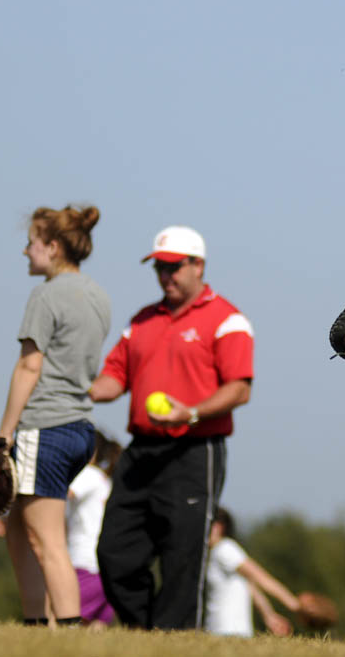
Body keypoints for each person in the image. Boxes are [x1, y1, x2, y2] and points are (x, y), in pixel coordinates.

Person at [89, 225, 254, 630]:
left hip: (195, 451)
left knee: (182, 558)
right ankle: (147, 635)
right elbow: (113, 379)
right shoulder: (142, 321)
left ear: (198, 265)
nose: (165, 276)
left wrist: (190, 413)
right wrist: (75, 388)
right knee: (114, 552)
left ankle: (172, 641)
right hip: (141, 451)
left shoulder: (228, 320)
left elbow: (239, 389)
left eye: (173, 267)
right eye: (159, 269)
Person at [0, 205, 111, 627]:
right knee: (21, 533)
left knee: (47, 542)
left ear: (54, 247)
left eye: (32, 243)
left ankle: (68, 633)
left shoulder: (46, 294)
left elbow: (29, 366)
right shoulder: (98, 296)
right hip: (80, 429)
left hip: (45, 425)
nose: (26, 252)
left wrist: (3, 435)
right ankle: (36, 628)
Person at [205, 507, 298, 637]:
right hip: (221, 630)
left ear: (220, 526)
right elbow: (250, 585)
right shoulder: (214, 553)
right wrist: (268, 615)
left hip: (228, 631)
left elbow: (260, 576)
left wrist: (293, 604)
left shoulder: (225, 549)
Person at [66, 429, 123, 628]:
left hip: (85, 564)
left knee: (62, 619)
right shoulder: (105, 480)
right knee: (95, 631)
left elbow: (65, 493)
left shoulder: (87, 474)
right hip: (106, 569)